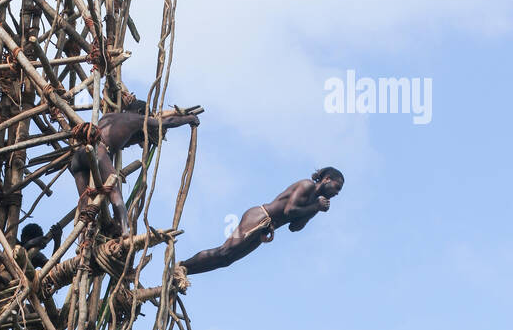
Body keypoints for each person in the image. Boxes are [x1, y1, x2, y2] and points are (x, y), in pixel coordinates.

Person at [69, 99, 200, 235]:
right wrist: (190, 118)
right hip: (97, 152)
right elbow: (166, 122)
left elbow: (119, 140)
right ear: (140, 112)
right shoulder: (138, 119)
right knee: (115, 192)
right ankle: (124, 231)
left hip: (78, 158)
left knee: (85, 201)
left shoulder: (108, 117)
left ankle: (83, 233)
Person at [181, 167, 344, 274]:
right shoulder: (307, 185)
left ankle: (184, 274)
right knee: (225, 251)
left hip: (265, 229)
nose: (337, 193)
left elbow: (295, 227)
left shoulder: (314, 203)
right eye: (337, 187)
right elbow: (289, 210)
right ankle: (182, 267)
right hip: (259, 216)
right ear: (327, 179)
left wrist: (315, 210)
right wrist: (314, 207)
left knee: (227, 260)